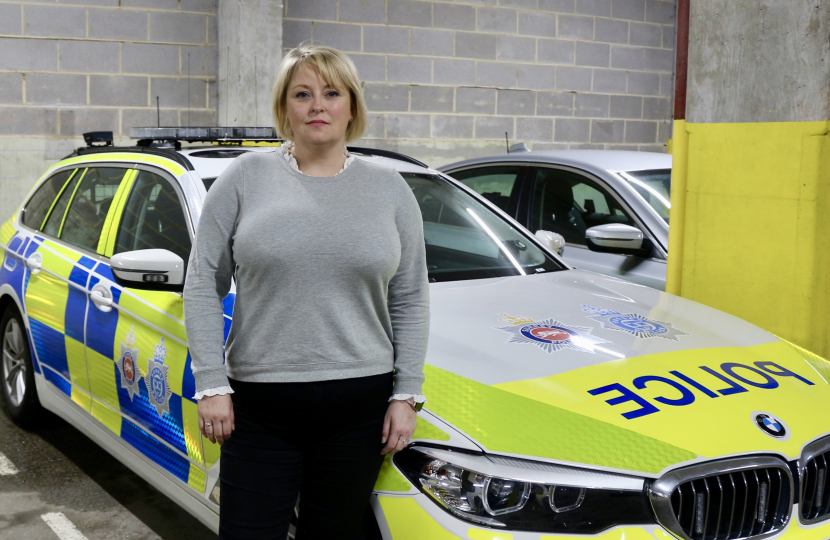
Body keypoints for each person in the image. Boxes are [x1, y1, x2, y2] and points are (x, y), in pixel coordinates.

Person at [183, 45, 430, 539]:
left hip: (359, 411)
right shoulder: (244, 179)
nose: (318, 105)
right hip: (258, 410)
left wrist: (406, 394)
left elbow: (410, 296)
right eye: (303, 94)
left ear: (351, 107)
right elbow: (202, 283)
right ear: (285, 108)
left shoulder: (391, 190)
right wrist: (211, 382)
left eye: (331, 93)